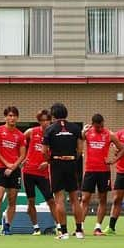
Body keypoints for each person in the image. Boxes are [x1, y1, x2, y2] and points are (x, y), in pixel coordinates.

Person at [42, 102, 83, 240]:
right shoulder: (75, 128)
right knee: (74, 198)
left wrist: (50, 160)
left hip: (56, 163)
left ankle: (64, 232)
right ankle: (79, 231)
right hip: (71, 162)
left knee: (59, 199)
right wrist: (72, 158)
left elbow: (44, 151)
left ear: (53, 115)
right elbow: (80, 150)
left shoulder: (50, 129)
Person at [0, 106, 27, 236]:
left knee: (12, 200)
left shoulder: (20, 135)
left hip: (14, 170)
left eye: (14, 116)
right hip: (1, 168)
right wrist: (6, 164)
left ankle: (7, 226)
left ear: (17, 117)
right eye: (9, 116)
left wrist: (13, 167)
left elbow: (22, 155)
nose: (12, 118)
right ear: (5, 117)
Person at [23, 109, 56, 235]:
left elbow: (57, 154)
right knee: (31, 201)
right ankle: (36, 227)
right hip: (29, 171)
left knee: (50, 200)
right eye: (42, 120)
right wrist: (22, 158)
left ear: (50, 120)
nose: (45, 123)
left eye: (47, 120)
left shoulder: (53, 135)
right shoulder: (31, 132)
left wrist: (47, 162)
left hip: (43, 173)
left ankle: (59, 227)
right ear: (39, 121)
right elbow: (19, 143)